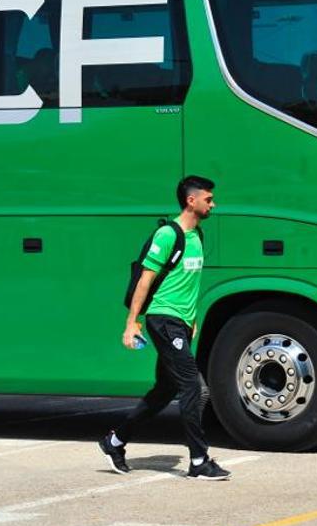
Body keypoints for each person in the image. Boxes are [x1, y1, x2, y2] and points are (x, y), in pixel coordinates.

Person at [99, 176, 231, 481]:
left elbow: (187, 282)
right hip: (163, 319)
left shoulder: (197, 235)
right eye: (209, 199)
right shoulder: (168, 234)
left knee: (165, 390)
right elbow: (145, 280)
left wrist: (192, 319)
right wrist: (132, 322)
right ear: (191, 201)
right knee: (194, 388)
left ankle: (114, 441)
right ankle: (199, 460)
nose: (213, 204)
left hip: (180, 323)